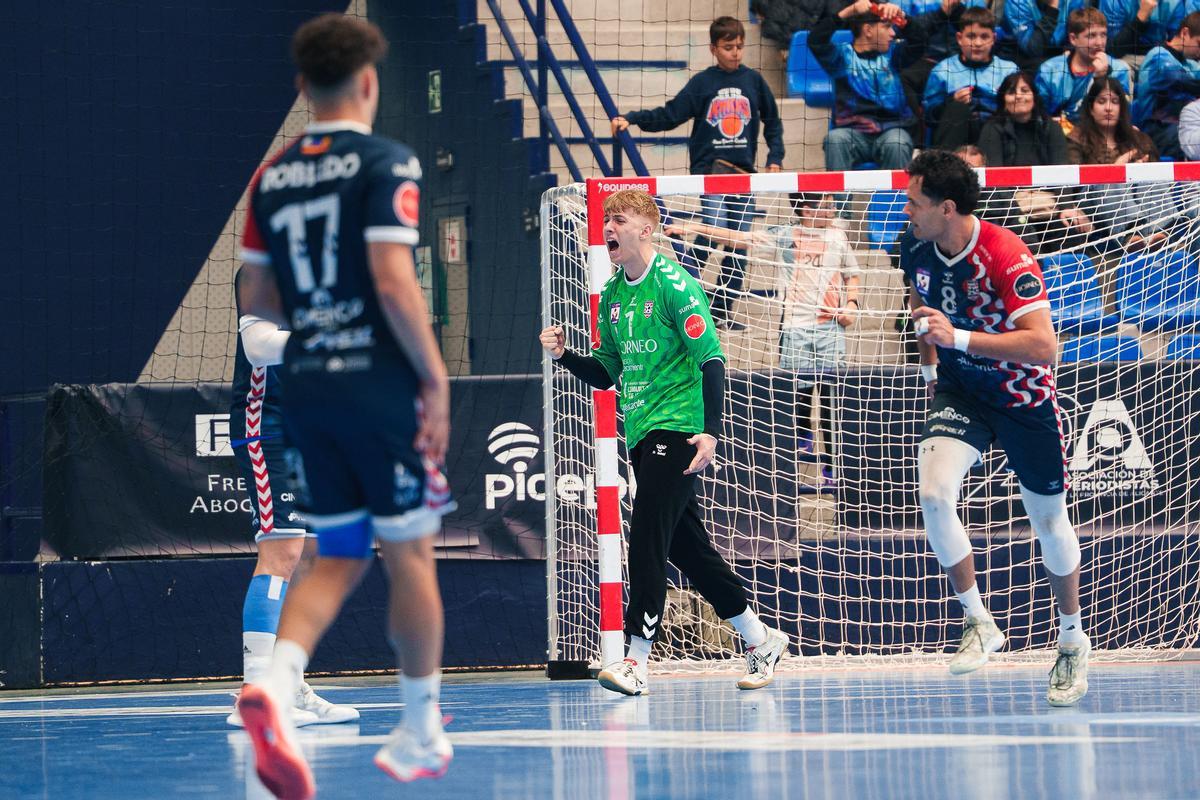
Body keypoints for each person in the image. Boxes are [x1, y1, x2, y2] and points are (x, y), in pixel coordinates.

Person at [234, 14, 456, 798]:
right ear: (369, 82)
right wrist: (433, 377)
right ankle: (421, 725)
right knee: (410, 553)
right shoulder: (386, 160)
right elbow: (395, 281)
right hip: (372, 383)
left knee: (336, 551)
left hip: (310, 390)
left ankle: (272, 685)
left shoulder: (273, 177)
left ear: (302, 89)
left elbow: (258, 294)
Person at [540, 188, 789, 697]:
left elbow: (712, 361)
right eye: (606, 219)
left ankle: (635, 661)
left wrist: (711, 431)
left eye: (621, 218)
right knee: (690, 550)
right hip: (641, 429)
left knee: (647, 540)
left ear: (646, 229)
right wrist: (565, 355)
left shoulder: (676, 286)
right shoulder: (612, 296)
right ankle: (760, 639)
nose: (609, 227)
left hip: (677, 430)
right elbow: (607, 372)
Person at [898, 150, 1090, 707]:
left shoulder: (1006, 254)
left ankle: (1072, 639)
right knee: (933, 493)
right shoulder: (915, 245)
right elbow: (921, 302)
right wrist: (934, 368)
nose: (904, 209)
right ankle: (979, 621)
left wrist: (954, 338)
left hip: (1022, 397)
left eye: (914, 202)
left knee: (1049, 522)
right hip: (962, 392)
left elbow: (1044, 346)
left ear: (947, 208)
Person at [225, 271, 359, 730]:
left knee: (314, 557)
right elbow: (259, 346)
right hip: (269, 424)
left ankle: (287, 681)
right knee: (282, 552)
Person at [665, 193, 860, 488]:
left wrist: (852, 305)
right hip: (795, 328)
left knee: (833, 399)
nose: (833, 209)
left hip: (831, 328)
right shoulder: (785, 236)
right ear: (807, 210)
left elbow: (852, 274)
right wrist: (696, 229)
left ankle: (833, 470)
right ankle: (799, 448)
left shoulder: (837, 235)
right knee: (798, 395)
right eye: (827, 205)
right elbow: (738, 238)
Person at [612, 16, 784, 329]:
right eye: (728, 47)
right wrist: (633, 118)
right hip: (710, 171)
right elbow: (670, 114)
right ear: (713, 48)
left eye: (740, 47)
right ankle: (685, 287)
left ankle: (722, 310)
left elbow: (773, 120)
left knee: (739, 243)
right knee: (713, 229)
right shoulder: (703, 83)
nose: (735, 53)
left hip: (743, 174)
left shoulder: (754, 81)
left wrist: (776, 156)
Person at [812, 0, 917, 218]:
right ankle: (840, 220)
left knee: (897, 142)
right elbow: (816, 40)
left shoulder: (895, 55)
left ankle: (892, 220)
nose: (892, 33)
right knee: (835, 139)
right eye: (887, 27)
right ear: (868, 30)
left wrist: (902, 17)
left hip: (891, 132)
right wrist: (848, 12)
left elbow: (921, 41)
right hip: (853, 135)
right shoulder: (841, 58)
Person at [977, 72, 1092, 252]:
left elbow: (1061, 171)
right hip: (1010, 205)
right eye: (1012, 91)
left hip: (1048, 204)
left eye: (1025, 90)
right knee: (1016, 232)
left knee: (1071, 227)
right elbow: (994, 181)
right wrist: (1014, 214)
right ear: (1003, 99)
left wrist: (1067, 207)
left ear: (1034, 97)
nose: (1019, 96)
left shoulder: (1052, 127)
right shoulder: (991, 129)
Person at [1069, 77, 1169, 251]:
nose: (1109, 107)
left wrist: (1139, 171)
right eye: (1102, 101)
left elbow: (1156, 171)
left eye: (1115, 102)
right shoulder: (1076, 138)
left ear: (1121, 108)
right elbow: (1074, 185)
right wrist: (1117, 167)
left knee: (1151, 176)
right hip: (1092, 203)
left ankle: (1159, 233)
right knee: (1111, 177)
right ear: (1091, 108)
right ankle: (1130, 236)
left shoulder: (1138, 138)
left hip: (1137, 200)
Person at [923, 7, 1020, 148]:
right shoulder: (942, 71)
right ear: (959, 38)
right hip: (957, 136)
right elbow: (928, 118)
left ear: (993, 39)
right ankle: (945, 167)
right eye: (971, 36)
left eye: (984, 37)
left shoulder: (1008, 70)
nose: (978, 43)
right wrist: (951, 101)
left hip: (995, 136)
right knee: (957, 110)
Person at [1036, 8, 1134, 122]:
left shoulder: (1119, 70)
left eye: (1103, 35)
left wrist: (1101, 79)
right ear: (1073, 39)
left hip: (1100, 135)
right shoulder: (1049, 70)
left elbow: (1122, 118)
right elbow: (1039, 118)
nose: (1099, 43)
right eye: (1091, 36)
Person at [1132, 11, 1200, 159]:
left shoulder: (1190, 64)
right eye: (1199, 44)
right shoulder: (1157, 56)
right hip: (1156, 132)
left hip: (1183, 129)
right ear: (1185, 33)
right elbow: (1177, 79)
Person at [1003, 0, 1090, 67]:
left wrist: (1070, 50)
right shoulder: (1016, 3)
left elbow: (1077, 34)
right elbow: (1034, 49)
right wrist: (1052, 9)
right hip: (1023, 58)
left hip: (1060, 54)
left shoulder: (1073, 1)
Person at [1103, 0, 1187, 56]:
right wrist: (1140, 19)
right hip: (1124, 56)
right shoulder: (1114, 2)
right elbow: (1112, 50)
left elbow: (1176, 43)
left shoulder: (1175, 3)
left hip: (1159, 55)